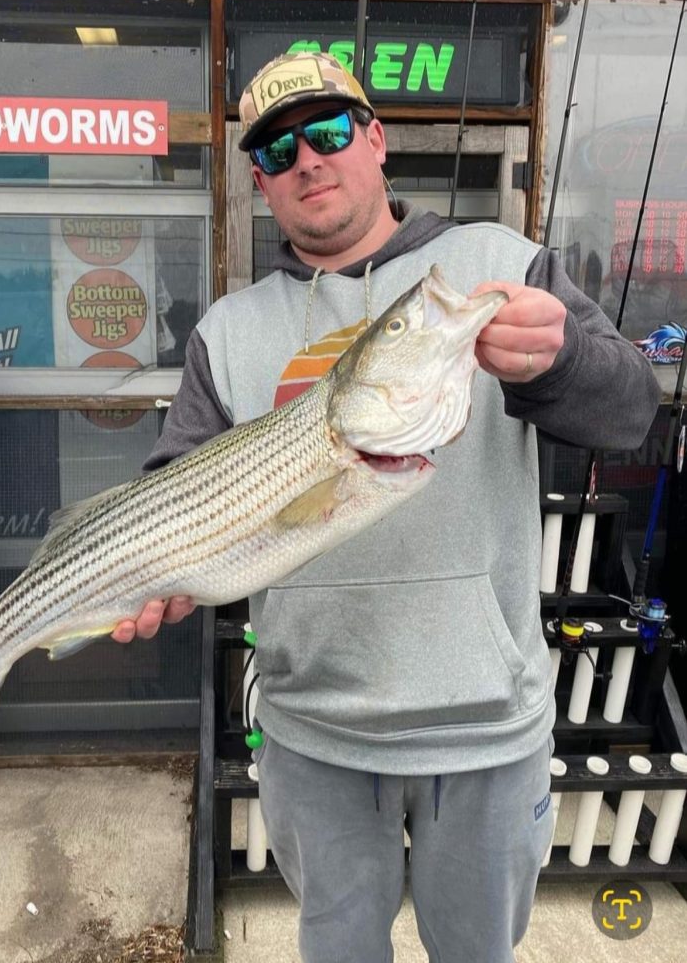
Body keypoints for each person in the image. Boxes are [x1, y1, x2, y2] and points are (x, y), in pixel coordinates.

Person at [111, 51, 660, 962]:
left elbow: (630, 410)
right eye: (279, 151)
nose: (308, 161)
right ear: (262, 182)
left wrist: (563, 362)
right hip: (312, 735)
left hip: (485, 728)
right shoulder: (229, 331)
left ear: (375, 140)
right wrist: (154, 573)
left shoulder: (497, 266)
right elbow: (178, 487)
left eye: (328, 133)